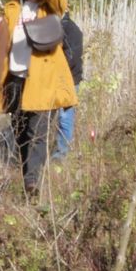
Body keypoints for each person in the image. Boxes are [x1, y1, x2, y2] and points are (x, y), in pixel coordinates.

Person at [0, 0, 76, 196]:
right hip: (16, 82)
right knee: (21, 134)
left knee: (38, 135)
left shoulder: (51, 9)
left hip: (43, 83)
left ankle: (33, 184)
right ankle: (27, 179)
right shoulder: (13, 10)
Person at [52, 11, 84, 162]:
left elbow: (71, 57)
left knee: (65, 117)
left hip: (69, 81)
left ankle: (61, 154)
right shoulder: (53, 27)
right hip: (54, 80)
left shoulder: (70, 29)